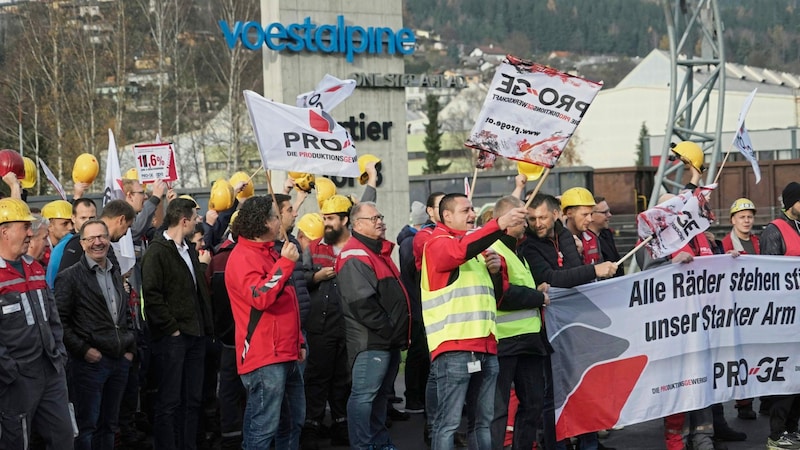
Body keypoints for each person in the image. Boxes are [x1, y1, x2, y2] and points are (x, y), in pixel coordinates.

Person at [422, 192, 527, 450]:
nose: (472, 215)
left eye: (472, 210)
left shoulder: (476, 249)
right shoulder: (437, 243)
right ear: (446, 216)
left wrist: (495, 271)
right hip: (455, 348)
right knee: (447, 424)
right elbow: (457, 253)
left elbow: (497, 295)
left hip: (485, 346)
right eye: (465, 210)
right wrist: (499, 224)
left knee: (482, 422)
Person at [520, 193, 618, 450]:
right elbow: (552, 277)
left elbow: (571, 275)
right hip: (546, 328)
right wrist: (593, 270)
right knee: (552, 396)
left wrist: (572, 275)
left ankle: (589, 444)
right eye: (531, 218)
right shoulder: (528, 245)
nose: (537, 223)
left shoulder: (564, 235)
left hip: (574, 325)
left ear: (555, 215)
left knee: (582, 388)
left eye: (542, 217)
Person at [224, 196, 306, 449]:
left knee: (292, 423)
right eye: (274, 215)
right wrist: (285, 264)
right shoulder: (241, 258)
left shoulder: (269, 252)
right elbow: (260, 297)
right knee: (263, 428)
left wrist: (298, 341)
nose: (278, 220)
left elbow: (288, 302)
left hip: (285, 352)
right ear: (262, 223)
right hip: (264, 355)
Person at [55, 219, 136, 450]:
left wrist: (130, 348)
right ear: (82, 244)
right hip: (89, 365)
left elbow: (125, 313)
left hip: (119, 361)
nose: (97, 242)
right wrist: (84, 350)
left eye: (101, 237)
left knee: (110, 425)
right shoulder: (69, 277)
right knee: (87, 427)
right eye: (91, 238)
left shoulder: (115, 270)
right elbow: (60, 322)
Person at [336, 201, 411, 449]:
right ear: (357, 224)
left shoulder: (376, 252)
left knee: (378, 399)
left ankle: (378, 443)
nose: (380, 221)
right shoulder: (355, 254)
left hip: (384, 341)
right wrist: (391, 329)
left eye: (380, 216)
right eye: (373, 218)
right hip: (371, 343)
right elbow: (362, 304)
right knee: (365, 398)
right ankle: (364, 445)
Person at [0, 198, 74, 449]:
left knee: (63, 437)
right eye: (25, 227)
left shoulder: (35, 268)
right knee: (17, 441)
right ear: (4, 231)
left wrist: (59, 354)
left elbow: (52, 317)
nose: (31, 233)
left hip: (50, 370)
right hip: (16, 379)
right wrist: (9, 371)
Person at [142, 197, 213, 450]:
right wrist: (171, 328)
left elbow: (196, 291)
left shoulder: (188, 250)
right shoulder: (157, 251)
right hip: (173, 339)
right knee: (169, 401)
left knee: (192, 400)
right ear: (184, 220)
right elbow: (151, 295)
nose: (197, 221)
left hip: (195, 336)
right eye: (195, 217)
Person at [488, 196, 550, 450]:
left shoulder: (515, 250)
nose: (526, 225)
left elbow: (517, 289)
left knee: (533, 404)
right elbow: (503, 295)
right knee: (498, 411)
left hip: (528, 341)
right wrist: (539, 296)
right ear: (506, 220)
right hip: (505, 342)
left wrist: (536, 290)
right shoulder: (495, 250)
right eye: (522, 219)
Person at [301, 194, 356, 450]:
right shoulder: (312, 248)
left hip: (348, 324)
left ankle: (340, 423)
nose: (326, 222)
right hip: (319, 325)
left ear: (345, 219)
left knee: (342, 377)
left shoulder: (357, 246)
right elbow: (300, 279)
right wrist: (317, 276)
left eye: (331, 218)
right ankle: (311, 424)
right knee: (317, 377)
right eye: (324, 218)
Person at [759, 181, 800, 449]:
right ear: (791, 202)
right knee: (785, 377)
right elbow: (767, 276)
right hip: (784, 318)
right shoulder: (774, 230)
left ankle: (791, 429)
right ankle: (776, 434)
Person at [397, 201, 429, 414]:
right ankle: (414, 397)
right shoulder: (411, 243)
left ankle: (416, 396)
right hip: (417, 306)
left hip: (417, 304)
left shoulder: (408, 241)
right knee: (418, 353)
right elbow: (415, 274)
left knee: (420, 354)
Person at [46, 198, 97, 288]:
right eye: (83, 218)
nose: (88, 222)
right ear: (74, 218)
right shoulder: (69, 244)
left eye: (92, 218)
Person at [588, 196, 625, 277]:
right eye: (605, 212)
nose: (609, 215)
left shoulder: (607, 234)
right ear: (591, 215)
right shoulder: (583, 239)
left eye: (609, 211)